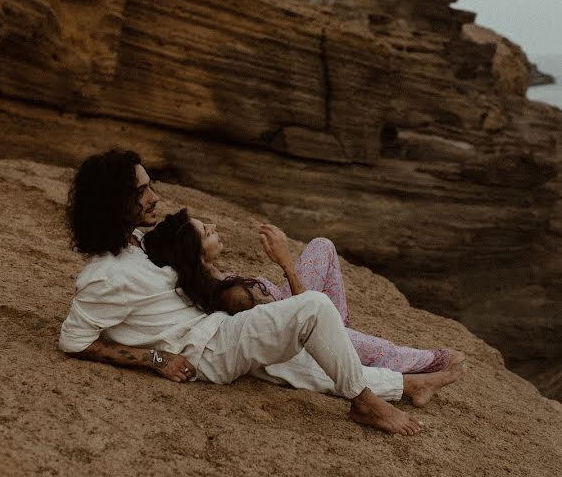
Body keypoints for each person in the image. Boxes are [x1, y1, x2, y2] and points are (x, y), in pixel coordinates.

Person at [59, 149, 465, 436]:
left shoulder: (133, 241)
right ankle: (364, 402)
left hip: (213, 332)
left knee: (300, 364)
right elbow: (75, 341)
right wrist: (155, 358)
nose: (154, 197)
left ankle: (406, 385)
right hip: (208, 351)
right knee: (314, 308)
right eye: (141, 191)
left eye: (150, 185)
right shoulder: (105, 274)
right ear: (114, 203)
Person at [142, 209, 465, 374]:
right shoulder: (230, 295)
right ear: (196, 253)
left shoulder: (216, 278)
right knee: (389, 352)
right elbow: (296, 318)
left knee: (322, 246)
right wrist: (285, 264)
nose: (213, 227)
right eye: (206, 232)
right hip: (304, 330)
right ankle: (420, 361)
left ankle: (342, 329)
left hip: (299, 308)